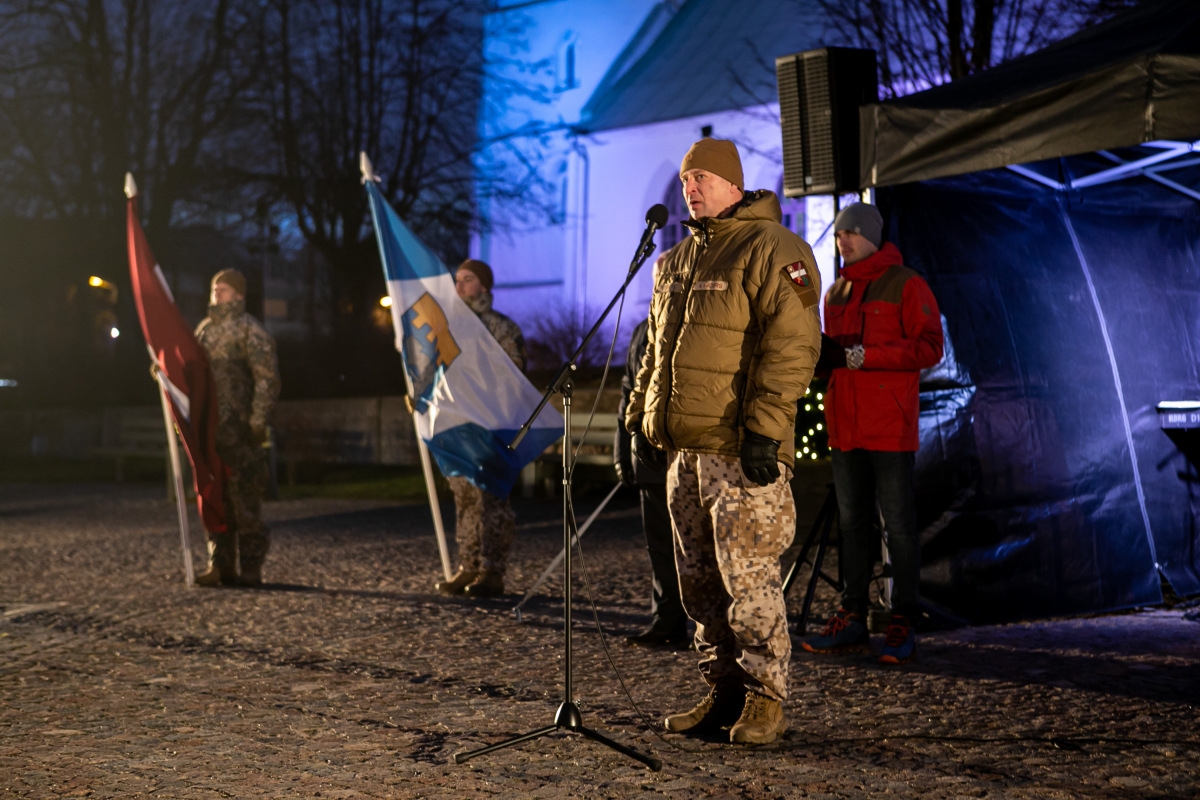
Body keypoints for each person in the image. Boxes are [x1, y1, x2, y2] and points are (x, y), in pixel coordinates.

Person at [626, 138, 822, 745]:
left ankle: (767, 699)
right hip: (685, 454)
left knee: (749, 582)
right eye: (686, 179)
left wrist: (766, 426)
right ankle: (724, 691)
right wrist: (640, 419)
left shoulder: (771, 247)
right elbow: (655, 353)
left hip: (740, 453)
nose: (691, 187)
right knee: (700, 583)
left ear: (735, 185)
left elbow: (793, 344)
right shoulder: (676, 260)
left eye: (703, 177)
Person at [801, 202, 943, 665]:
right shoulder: (836, 290)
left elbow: (929, 347)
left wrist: (862, 356)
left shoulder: (906, 283)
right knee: (853, 525)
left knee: (898, 527)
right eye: (840, 234)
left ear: (874, 236)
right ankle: (853, 613)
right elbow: (835, 356)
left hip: (889, 428)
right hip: (846, 426)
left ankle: (903, 618)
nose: (843, 241)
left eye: (852, 234)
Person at [434, 258, 526, 598]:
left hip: (491, 426)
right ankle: (468, 566)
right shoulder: (451, 328)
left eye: (467, 280)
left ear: (484, 286)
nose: (459, 287)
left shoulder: (501, 328)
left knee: (492, 498)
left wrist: (490, 411)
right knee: (465, 499)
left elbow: (513, 378)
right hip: (458, 426)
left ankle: (492, 570)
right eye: (457, 280)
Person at [615, 263, 689, 648]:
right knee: (659, 543)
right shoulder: (643, 330)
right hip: (647, 454)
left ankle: (706, 622)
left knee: (692, 543)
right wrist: (622, 449)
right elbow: (630, 389)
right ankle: (667, 618)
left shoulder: (692, 323)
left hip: (682, 450)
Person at [194, 269, 281, 587]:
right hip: (211, 430)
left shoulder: (249, 330)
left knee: (244, 498)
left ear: (239, 295)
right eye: (215, 287)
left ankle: (251, 567)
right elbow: (190, 371)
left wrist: (258, 420)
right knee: (215, 497)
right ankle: (220, 563)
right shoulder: (204, 331)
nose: (218, 291)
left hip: (241, 430)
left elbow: (267, 378)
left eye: (225, 288)